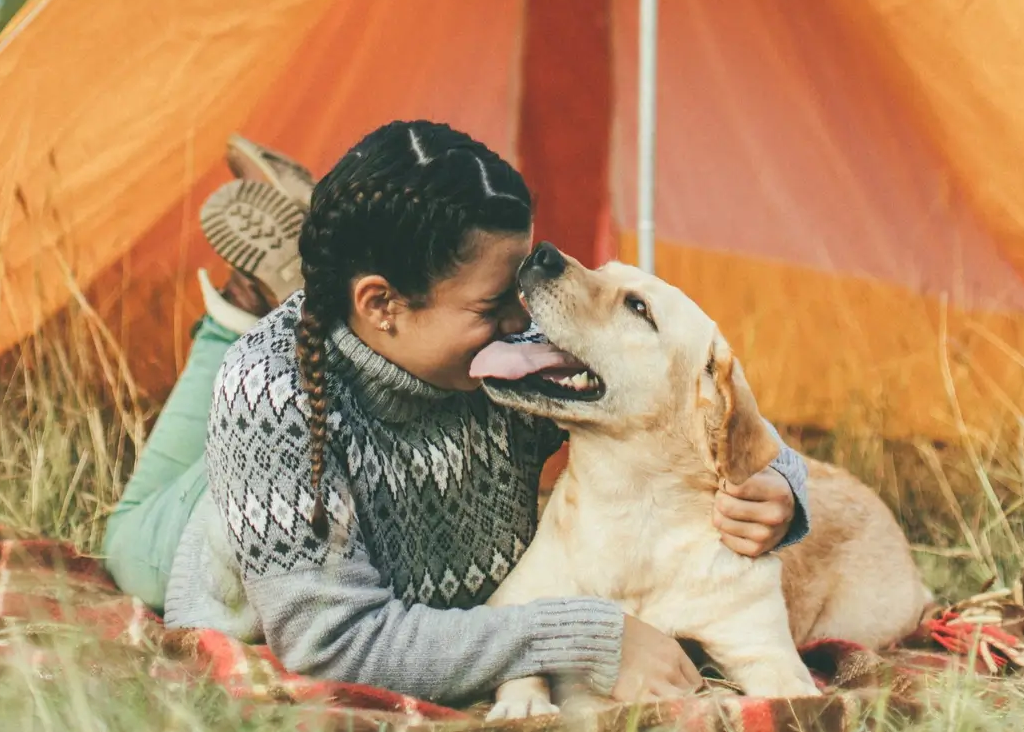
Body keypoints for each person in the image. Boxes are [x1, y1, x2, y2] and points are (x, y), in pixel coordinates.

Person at [102, 121, 812, 706]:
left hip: (369, 358)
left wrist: (783, 486)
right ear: (382, 304)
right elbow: (333, 644)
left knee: (358, 369)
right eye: (492, 304)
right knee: (129, 537)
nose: (524, 320)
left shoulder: (507, 361)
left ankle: (315, 273)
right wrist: (588, 634)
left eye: (520, 290)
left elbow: (685, 403)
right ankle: (247, 307)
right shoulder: (272, 396)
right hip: (236, 497)